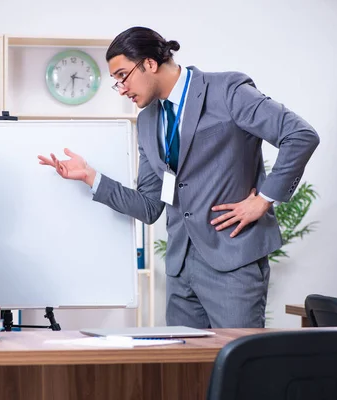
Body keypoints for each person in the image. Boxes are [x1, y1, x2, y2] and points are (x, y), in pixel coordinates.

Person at [39, 26, 319, 329]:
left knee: (239, 367)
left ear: (149, 63)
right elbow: (149, 207)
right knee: (181, 373)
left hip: (232, 263)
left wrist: (264, 199)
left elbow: (299, 135)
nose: (121, 88)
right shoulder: (147, 120)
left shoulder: (227, 90)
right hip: (180, 270)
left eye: (122, 76)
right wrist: (92, 178)